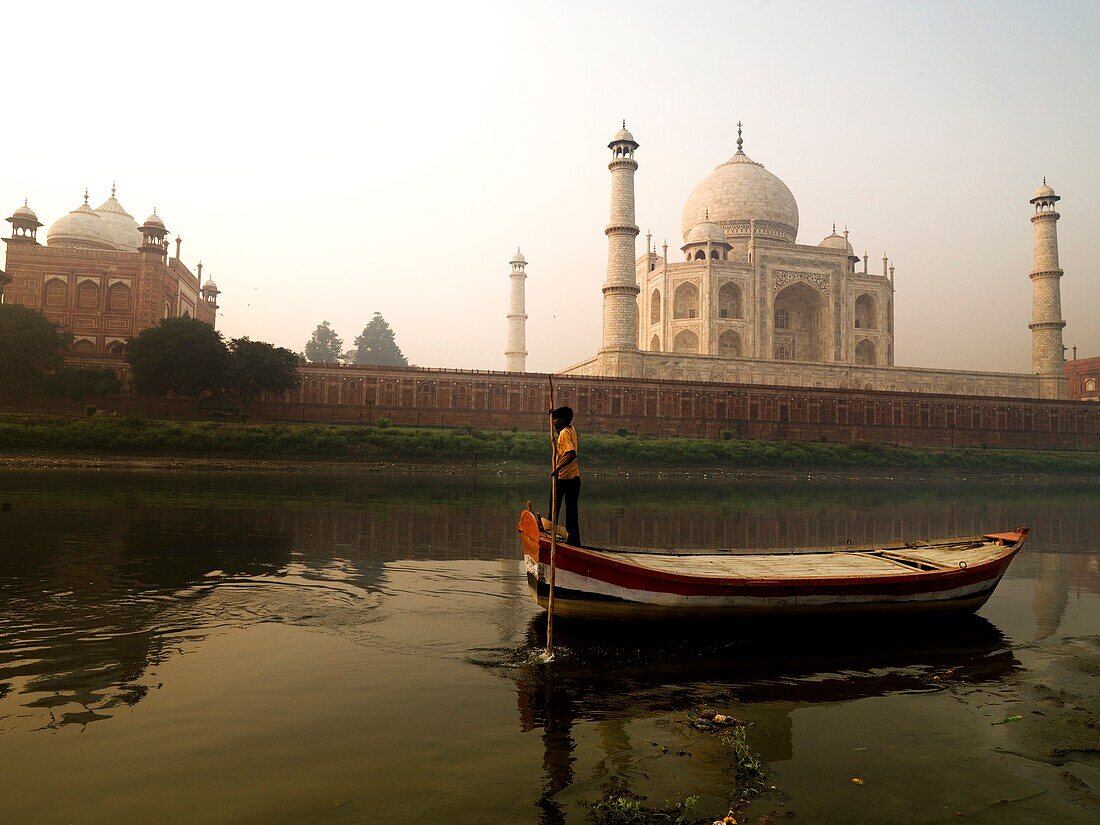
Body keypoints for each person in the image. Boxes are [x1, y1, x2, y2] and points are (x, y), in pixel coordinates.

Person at [549, 406, 581, 546]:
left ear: (563, 420)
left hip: (563, 479)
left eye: (556, 419)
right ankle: (573, 542)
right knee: (571, 512)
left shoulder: (564, 434)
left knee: (554, 510)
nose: (554, 421)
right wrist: (552, 416)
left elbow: (571, 453)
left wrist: (557, 468)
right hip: (575, 479)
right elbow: (559, 433)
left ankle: (551, 538)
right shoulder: (570, 430)